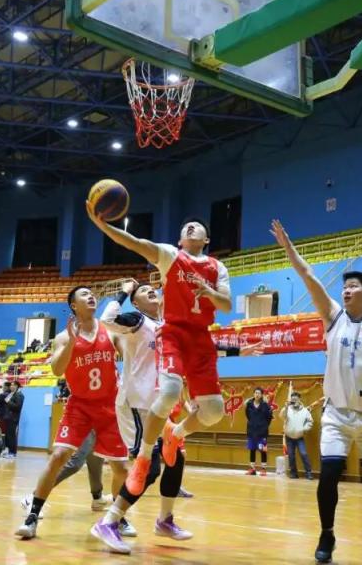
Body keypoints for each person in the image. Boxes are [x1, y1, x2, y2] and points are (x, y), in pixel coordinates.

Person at [270, 212, 362, 565]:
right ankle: (327, 535)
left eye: (353, 286)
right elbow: (308, 276)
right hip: (336, 415)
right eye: (344, 286)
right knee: (330, 476)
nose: (346, 290)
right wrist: (288, 247)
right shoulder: (333, 317)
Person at [91, 280, 261, 553]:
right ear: (136, 302)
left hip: (156, 405)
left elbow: (200, 347)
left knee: (176, 458)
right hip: (136, 405)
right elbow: (107, 320)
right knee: (149, 468)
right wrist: (124, 291)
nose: (151, 291)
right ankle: (109, 522)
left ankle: (164, 520)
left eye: (153, 289)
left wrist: (238, 350)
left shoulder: (169, 328)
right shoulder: (137, 320)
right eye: (143, 291)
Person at [87, 209, 231, 499]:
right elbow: (135, 243)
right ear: (179, 240)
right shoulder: (142, 312)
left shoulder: (216, 268)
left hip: (185, 356)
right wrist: (105, 226)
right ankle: (135, 471)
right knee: (166, 400)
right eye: (186, 226)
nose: (191, 227)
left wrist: (209, 293)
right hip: (143, 387)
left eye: (197, 225)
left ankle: (171, 449)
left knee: (209, 414)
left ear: (207, 239)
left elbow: (225, 306)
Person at [15, 286, 129, 540]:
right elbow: (57, 370)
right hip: (80, 406)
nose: (91, 297)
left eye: (92, 294)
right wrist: (73, 343)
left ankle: (117, 517)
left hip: (110, 406)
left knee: (121, 468)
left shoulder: (109, 330)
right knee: (59, 456)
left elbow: (130, 356)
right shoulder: (63, 337)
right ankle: (32, 515)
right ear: (74, 306)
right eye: (84, 295)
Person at [283, 391, 314, 479]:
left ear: (300, 399)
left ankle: (308, 473)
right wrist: (286, 408)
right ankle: (293, 473)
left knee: (303, 454)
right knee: (291, 456)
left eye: (296, 399)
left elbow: (310, 422)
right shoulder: (287, 409)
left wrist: (304, 429)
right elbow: (282, 416)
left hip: (299, 437)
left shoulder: (305, 411)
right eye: (292, 399)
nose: (294, 401)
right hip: (289, 436)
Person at [245, 387, 273, 476]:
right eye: (256, 393)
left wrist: (263, 426)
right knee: (252, 450)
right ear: (253, 394)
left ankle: (263, 469)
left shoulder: (265, 405)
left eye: (259, 393)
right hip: (251, 432)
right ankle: (252, 469)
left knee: (263, 450)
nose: (257, 394)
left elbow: (269, 418)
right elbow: (248, 416)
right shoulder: (249, 404)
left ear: (261, 395)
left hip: (262, 433)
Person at [0, 381, 24, 457]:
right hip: (8, 418)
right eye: (11, 385)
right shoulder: (12, 394)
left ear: (17, 386)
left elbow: (17, 407)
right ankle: (9, 451)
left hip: (13, 419)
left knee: (12, 436)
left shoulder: (19, 395)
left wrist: (8, 401)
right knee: (8, 436)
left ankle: (12, 453)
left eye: (13, 385)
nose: (11, 386)